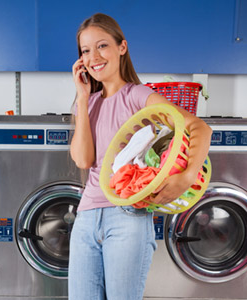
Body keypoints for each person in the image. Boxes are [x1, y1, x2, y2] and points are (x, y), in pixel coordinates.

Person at [69, 13, 212, 300]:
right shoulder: (87, 103)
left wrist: (185, 178)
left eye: (102, 46)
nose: (93, 56)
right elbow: (83, 160)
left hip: (127, 216)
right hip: (85, 218)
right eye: (85, 51)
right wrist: (82, 98)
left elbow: (199, 128)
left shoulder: (137, 95)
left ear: (122, 47)